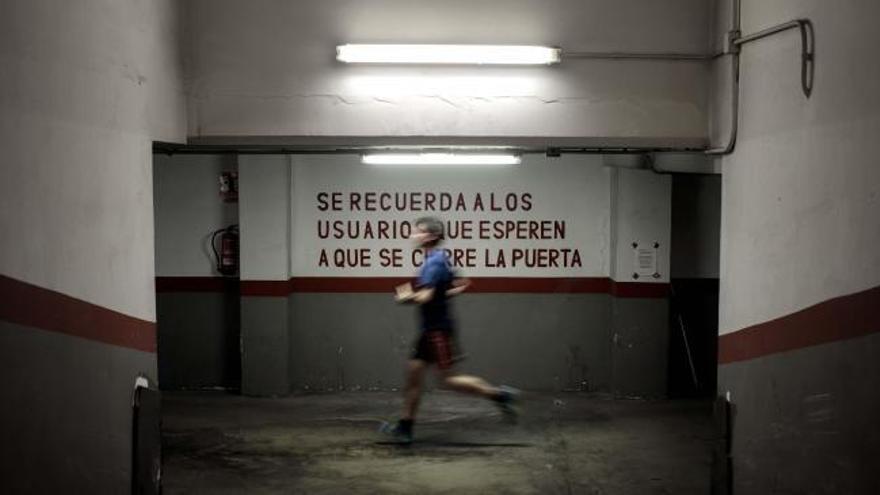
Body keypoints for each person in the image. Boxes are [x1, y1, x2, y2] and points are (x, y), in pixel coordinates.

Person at [382, 216, 519, 444]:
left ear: (432, 236)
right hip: (431, 330)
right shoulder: (441, 258)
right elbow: (464, 283)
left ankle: (501, 395)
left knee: (448, 381)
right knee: (414, 376)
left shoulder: (431, 264)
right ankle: (405, 428)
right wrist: (443, 293)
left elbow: (425, 296)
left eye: (419, 231)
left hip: (437, 332)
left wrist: (405, 297)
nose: (413, 234)